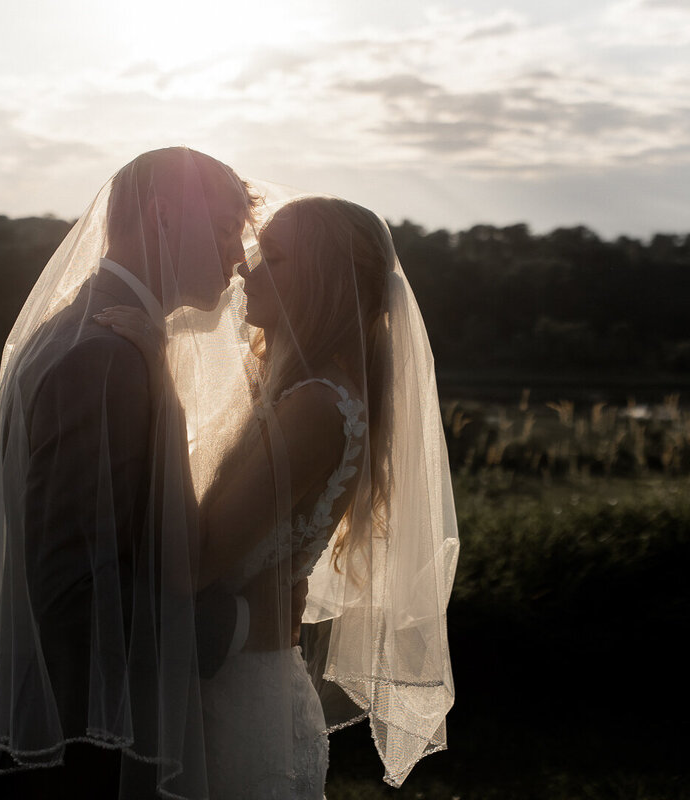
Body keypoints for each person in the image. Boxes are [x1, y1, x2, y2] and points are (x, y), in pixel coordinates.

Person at [0, 147, 307, 800]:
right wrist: (240, 623)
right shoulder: (105, 358)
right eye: (226, 228)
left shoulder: (99, 336)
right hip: (82, 751)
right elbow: (74, 595)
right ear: (162, 217)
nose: (241, 257)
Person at [99, 193, 459, 797]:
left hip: (239, 697)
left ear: (321, 281)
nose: (245, 267)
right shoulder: (296, 391)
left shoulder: (319, 406)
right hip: (232, 670)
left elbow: (198, 561)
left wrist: (162, 391)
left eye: (274, 257)